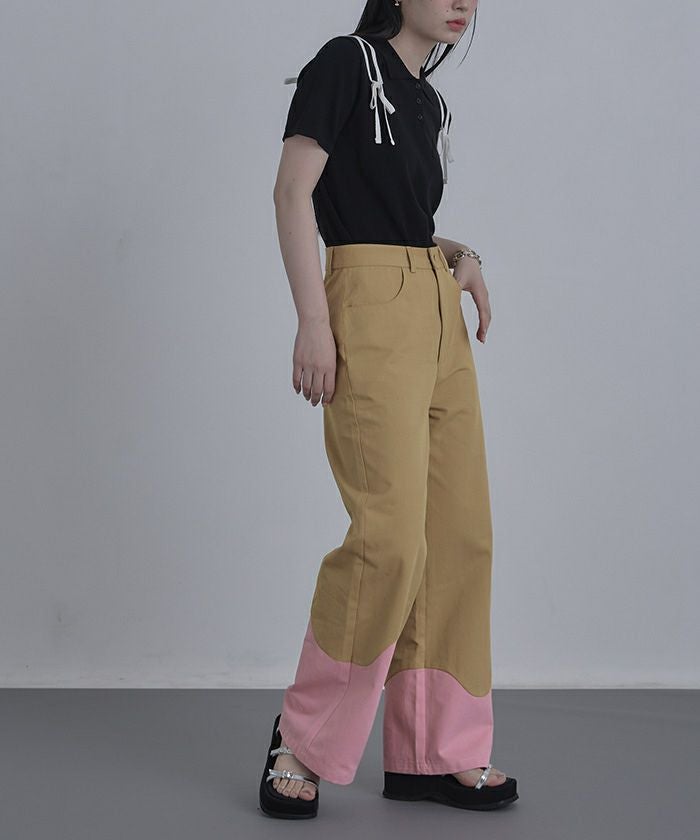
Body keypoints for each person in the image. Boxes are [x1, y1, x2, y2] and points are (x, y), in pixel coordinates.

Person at [260, 0, 518, 819]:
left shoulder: (429, 102)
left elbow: (403, 225)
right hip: (367, 309)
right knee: (391, 540)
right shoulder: (347, 63)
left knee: (459, 538)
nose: (462, 2)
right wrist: (313, 320)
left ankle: (436, 752)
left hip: (437, 314)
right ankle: (301, 741)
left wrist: (459, 254)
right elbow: (293, 192)